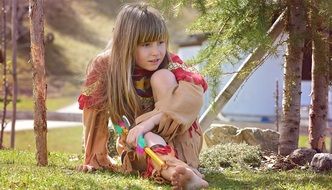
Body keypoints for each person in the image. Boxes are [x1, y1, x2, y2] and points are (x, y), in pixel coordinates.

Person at [77, 3, 209, 190]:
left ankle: (180, 168)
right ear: (126, 43)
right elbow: (94, 111)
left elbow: (193, 95)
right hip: (137, 147)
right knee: (146, 139)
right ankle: (180, 173)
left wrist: (148, 123)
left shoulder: (170, 63)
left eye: (161, 42)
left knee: (162, 77)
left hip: (179, 142)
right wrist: (94, 157)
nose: (156, 52)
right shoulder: (106, 66)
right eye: (146, 45)